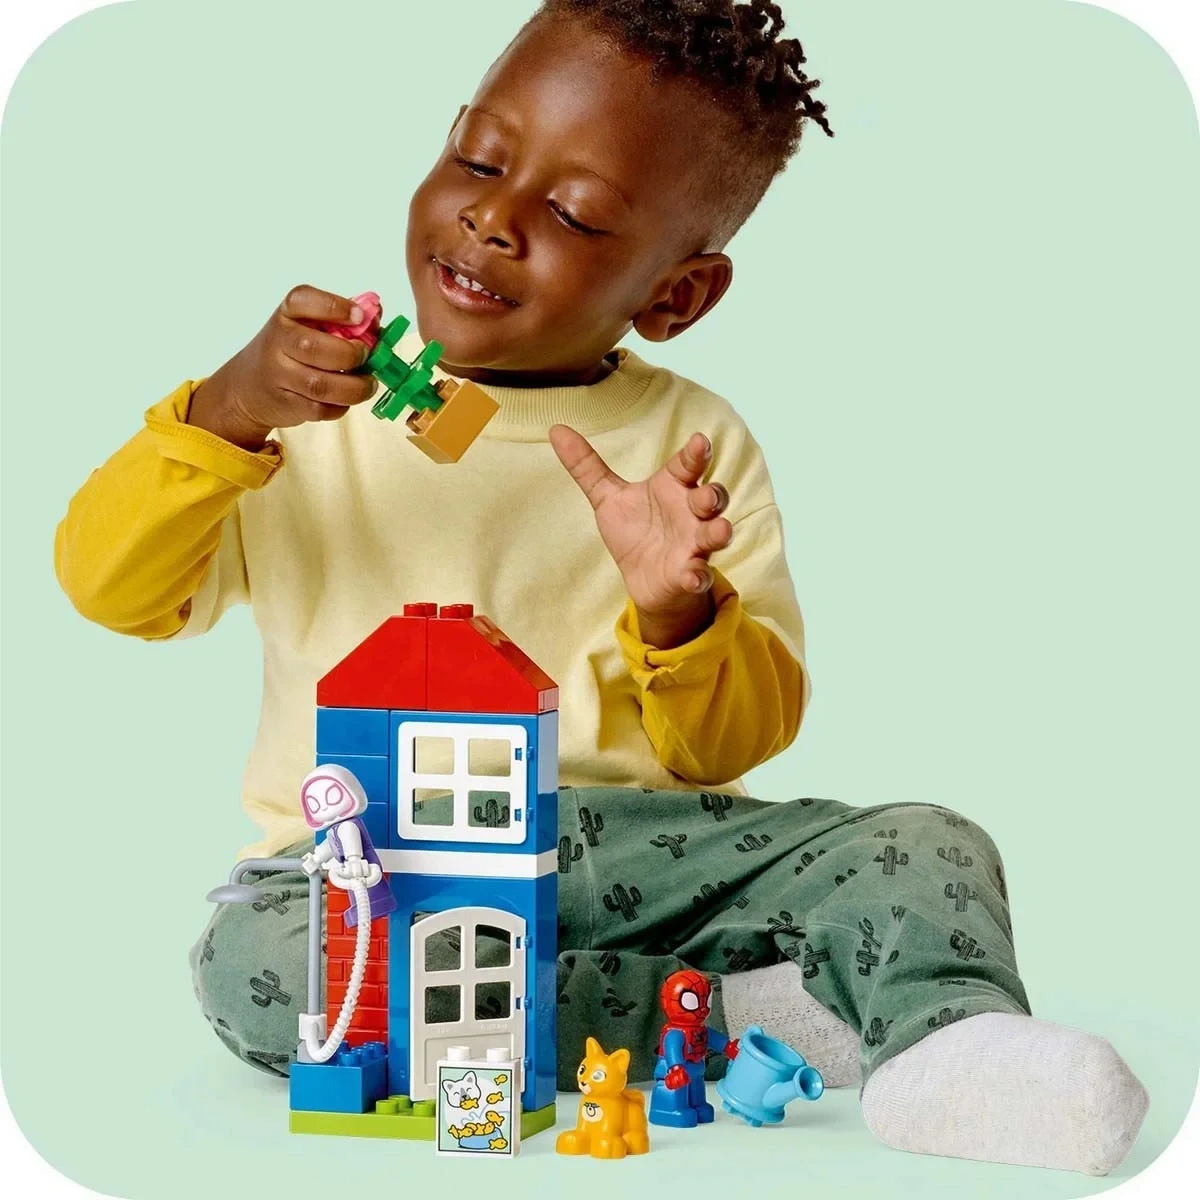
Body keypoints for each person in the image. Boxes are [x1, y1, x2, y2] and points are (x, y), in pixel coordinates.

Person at [53, 0, 1148, 1175]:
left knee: (928, 842)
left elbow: (735, 743)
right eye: (479, 159)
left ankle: (955, 1044)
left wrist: (679, 611)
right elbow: (110, 590)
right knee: (258, 966)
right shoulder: (298, 415)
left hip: (642, 854)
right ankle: (733, 1016)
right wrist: (223, 414)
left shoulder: (692, 448)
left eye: (573, 214)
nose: (493, 216)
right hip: (373, 866)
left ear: (676, 296)